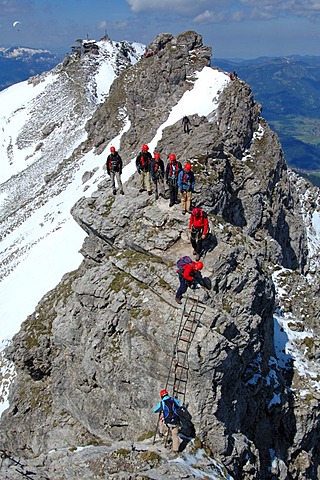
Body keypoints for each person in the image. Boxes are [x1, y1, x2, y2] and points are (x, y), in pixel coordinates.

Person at [154, 389, 182, 453]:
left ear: (161, 396)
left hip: (168, 422)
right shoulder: (173, 399)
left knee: (161, 420)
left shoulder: (162, 402)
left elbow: (155, 410)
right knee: (175, 435)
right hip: (175, 421)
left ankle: (161, 433)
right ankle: (175, 450)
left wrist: (161, 408)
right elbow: (179, 406)